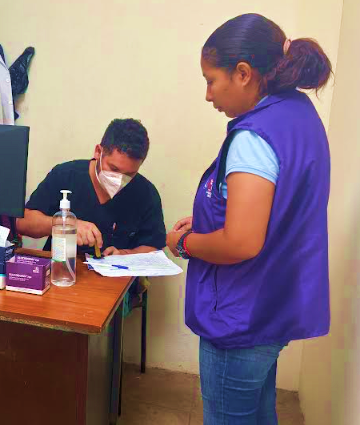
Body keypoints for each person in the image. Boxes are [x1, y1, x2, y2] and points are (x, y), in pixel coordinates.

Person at [166, 13, 331, 424]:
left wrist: (184, 243)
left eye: (211, 80)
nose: (208, 95)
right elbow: (279, 207)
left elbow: (241, 242)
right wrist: (209, 221)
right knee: (258, 415)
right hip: (274, 304)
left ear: (243, 73)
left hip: (241, 317)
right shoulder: (298, 114)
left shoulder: (254, 135)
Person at [17, 118, 166, 257]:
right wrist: (65, 224)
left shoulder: (146, 193)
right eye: (113, 169)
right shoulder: (66, 175)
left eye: (129, 174)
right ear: (98, 152)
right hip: (61, 268)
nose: (119, 180)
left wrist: (124, 254)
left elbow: (154, 247)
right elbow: (22, 223)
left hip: (114, 274)